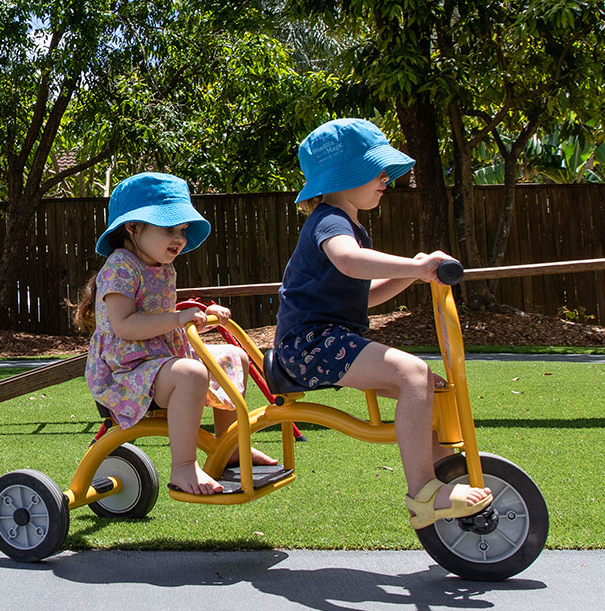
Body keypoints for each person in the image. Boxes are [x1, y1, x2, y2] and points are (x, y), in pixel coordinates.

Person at [273, 118, 492, 528]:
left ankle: (444, 468)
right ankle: (424, 491)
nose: (385, 179)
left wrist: (415, 272)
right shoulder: (331, 221)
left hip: (327, 339)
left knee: (426, 384)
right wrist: (415, 265)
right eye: (376, 170)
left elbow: (363, 294)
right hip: (309, 345)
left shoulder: (348, 223)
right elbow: (348, 261)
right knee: (412, 371)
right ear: (342, 176)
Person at [77, 172, 275, 497]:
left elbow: (168, 321)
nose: (179, 238)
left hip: (161, 363)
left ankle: (228, 447)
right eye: (169, 227)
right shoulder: (120, 267)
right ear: (133, 226)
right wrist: (179, 318)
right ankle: (183, 466)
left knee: (234, 357)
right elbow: (125, 325)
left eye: (183, 229)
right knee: (192, 372)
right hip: (126, 373)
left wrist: (201, 319)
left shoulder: (162, 266)